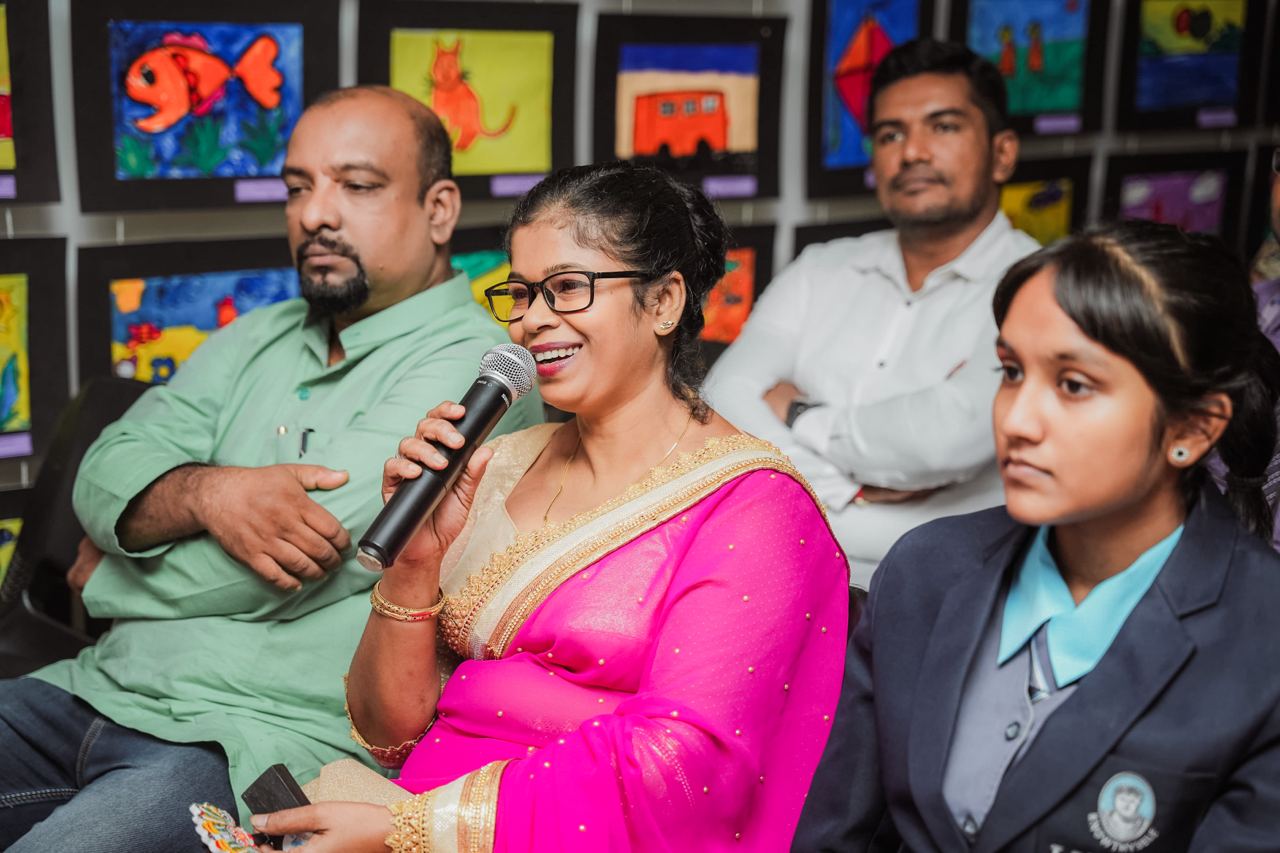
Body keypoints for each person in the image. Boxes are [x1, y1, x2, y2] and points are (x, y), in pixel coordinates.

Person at [248, 162, 850, 852]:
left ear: (663, 302)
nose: (532, 320)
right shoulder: (500, 462)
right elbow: (391, 734)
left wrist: (415, 828)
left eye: (566, 287)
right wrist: (413, 563)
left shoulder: (754, 509)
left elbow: (685, 770)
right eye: (521, 293)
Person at [0, 86, 541, 850]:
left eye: (356, 185)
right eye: (298, 188)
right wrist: (210, 492)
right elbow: (106, 467)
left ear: (439, 210)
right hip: (92, 688)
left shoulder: (475, 373)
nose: (316, 213)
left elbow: (299, 562)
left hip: (244, 739)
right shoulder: (256, 332)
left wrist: (114, 576)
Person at [794, 220, 1280, 851]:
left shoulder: (1262, 638)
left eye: (1074, 385)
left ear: (1193, 427)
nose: (1018, 421)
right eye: (1011, 372)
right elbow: (835, 833)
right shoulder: (926, 571)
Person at [704, 39, 1038, 588]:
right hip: (776, 570)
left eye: (944, 126)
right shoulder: (821, 269)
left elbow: (946, 438)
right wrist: (847, 489)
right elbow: (723, 400)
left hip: (948, 594)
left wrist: (802, 415)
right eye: (890, 135)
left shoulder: (1042, 287)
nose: (913, 153)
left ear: (1003, 153)